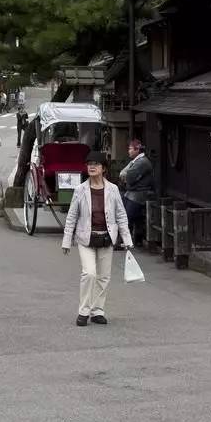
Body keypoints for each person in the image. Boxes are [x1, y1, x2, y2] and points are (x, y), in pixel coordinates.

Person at [62, 151, 133, 326]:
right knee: (90, 273)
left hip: (106, 237)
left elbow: (121, 215)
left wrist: (127, 239)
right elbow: (72, 216)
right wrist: (66, 240)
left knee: (103, 277)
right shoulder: (80, 190)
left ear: (104, 168)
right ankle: (83, 311)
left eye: (96, 164)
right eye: (89, 164)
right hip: (86, 238)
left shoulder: (113, 189)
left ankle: (97, 310)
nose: (92, 167)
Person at [119, 139, 155, 246]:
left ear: (137, 150)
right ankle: (137, 240)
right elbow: (122, 174)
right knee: (135, 218)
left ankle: (124, 241)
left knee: (127, 217)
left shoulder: (142, 162)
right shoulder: (135, 161)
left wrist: (126, 178)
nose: (128, 151)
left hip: (138, 194)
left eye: (130, 149)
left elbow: (129, 177)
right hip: (132, 192)